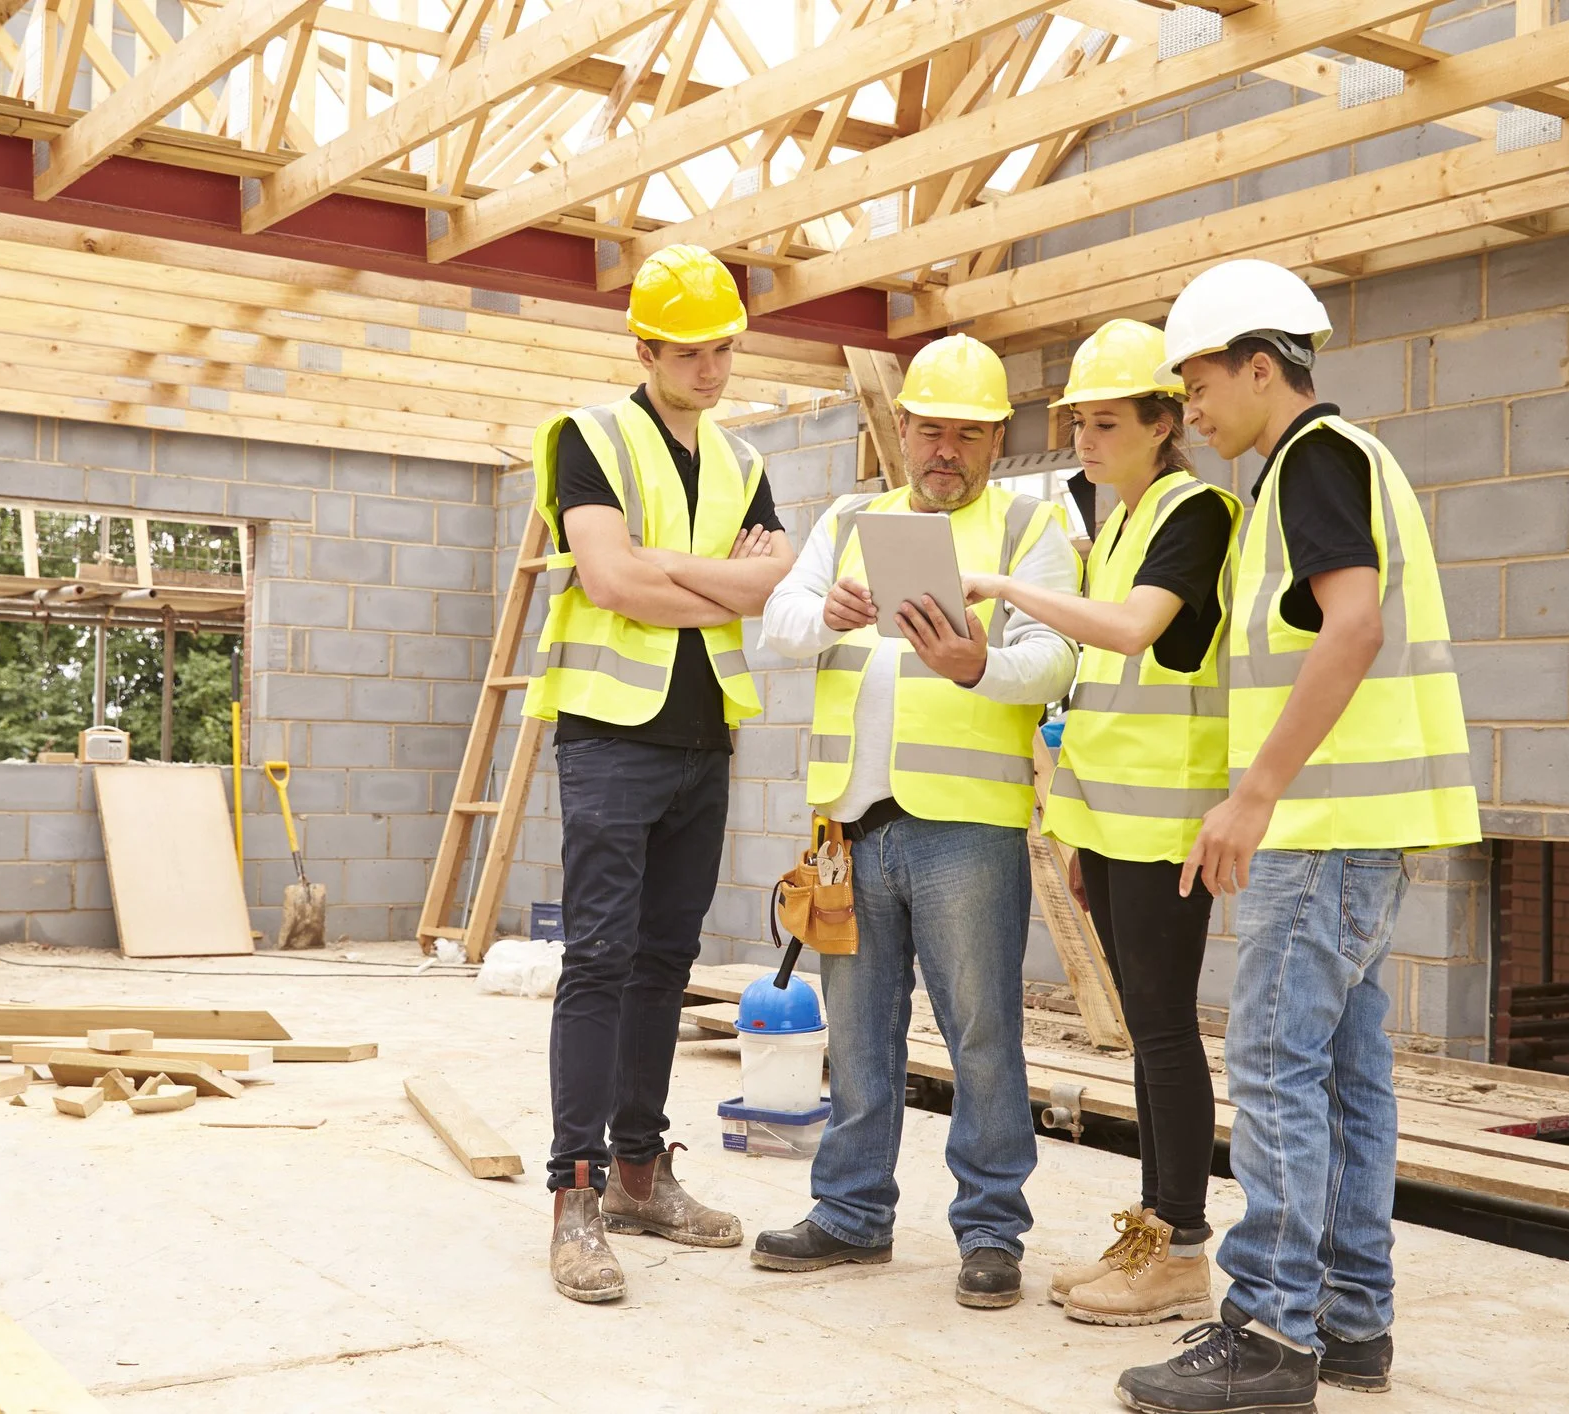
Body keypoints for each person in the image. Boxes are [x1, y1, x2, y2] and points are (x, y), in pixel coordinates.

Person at [1113, 260, 1480, 1413]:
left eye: (1202, 383)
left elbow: (1354, 624)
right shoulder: (1335, 466)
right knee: (1346, 1076)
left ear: (1261, 368)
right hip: (1360, 827)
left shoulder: (1315, 462)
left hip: (1320, 827)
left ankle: (1271, 1329)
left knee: (1275, 1066)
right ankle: (1351, 1319)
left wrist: (1258, 792)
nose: (1194, 409)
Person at [751, 334, 1080, 1310]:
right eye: (930, 429)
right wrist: (832, 613)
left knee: (983, 1036)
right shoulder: (853, 518)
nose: (946, 450)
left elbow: (1058, 659)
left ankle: (990, 1230)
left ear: (997, 439)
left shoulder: (1030, 530)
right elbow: (778, 625)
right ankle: (851, 1215)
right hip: (853, 824)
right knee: (857, 1037)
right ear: (904, 430)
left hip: (965, 830)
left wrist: (982, 665)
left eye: (967, 435)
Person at [524, 244, 796, 1304]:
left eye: (727, 348)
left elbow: (768, 589)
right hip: (609, 734)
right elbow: (607, 576)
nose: (714, 369)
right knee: (597, 958)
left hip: (702, 739)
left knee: (663, 962)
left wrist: (670, 571)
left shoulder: (742, 459)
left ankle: (640, 1169)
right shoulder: (588, 439)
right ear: (643, 345)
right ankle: (574, 1192)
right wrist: (718, 579)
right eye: (692, 351)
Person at [961, 319, 1238, 1328]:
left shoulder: (1195, 513)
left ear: (1165, 423)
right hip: (1113, 820)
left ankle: (1180, 1247)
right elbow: (1099, 684)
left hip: (1169, 820)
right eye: (1078, 422)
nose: (1085, 440)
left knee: (1165, 1033)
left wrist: (998, 584)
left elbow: (1129, 631)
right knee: (1142, 1032)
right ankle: (1149, 1231)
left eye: (1107, 421)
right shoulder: (1115, 520)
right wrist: (1073, 828)